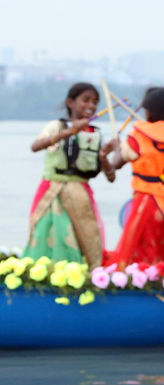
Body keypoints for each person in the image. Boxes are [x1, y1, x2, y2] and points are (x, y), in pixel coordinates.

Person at [23, 82, 115, 267]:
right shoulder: (57, 126)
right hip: (53, 192)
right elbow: (35, 146)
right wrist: (70, 131)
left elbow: (111, 177)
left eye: (95, 102)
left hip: (82, 195)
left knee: (86, 239)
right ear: (71, 102)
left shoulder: (96, 133)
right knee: (50, 237)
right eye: (86, 100)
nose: (91, 106)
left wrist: (105, 157)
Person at [107, 87, 164, 268]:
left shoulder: (139, 136)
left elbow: (116, 164)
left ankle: (142, 281)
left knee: (141, 247)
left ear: (148, 111)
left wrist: (117, 147)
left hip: (147, 202)